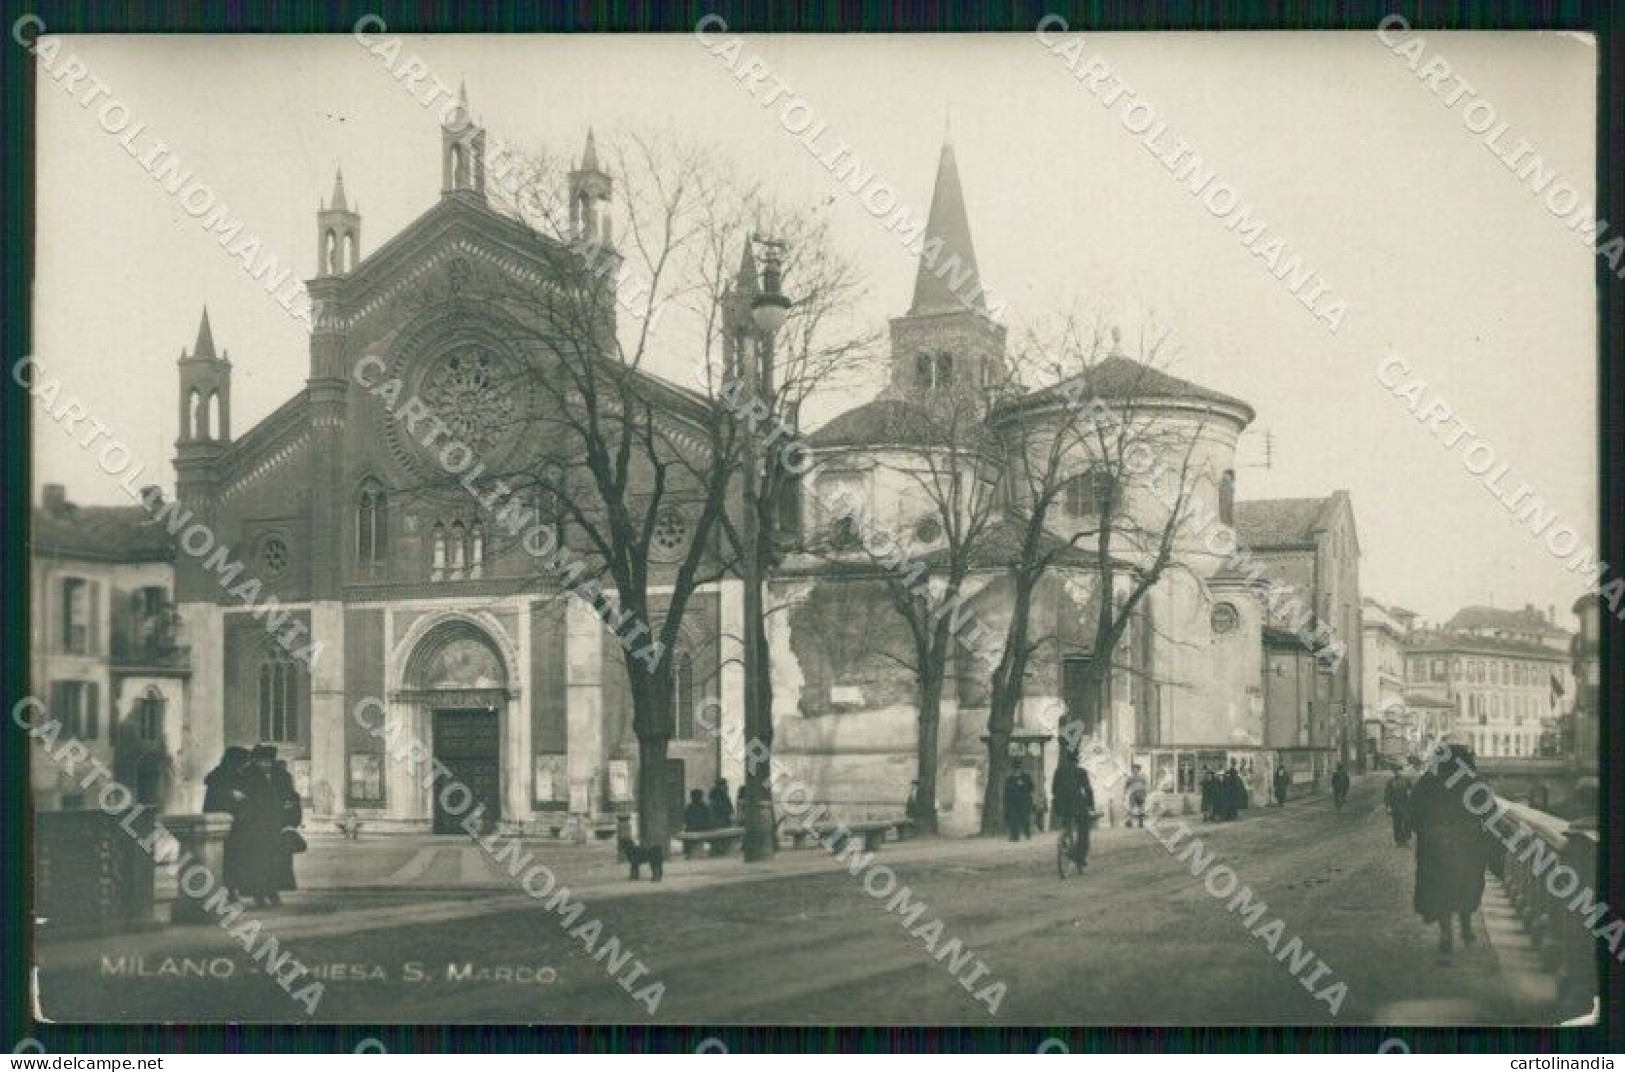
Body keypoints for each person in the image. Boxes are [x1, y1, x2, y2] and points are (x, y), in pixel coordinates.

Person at [1411, 744, 1498, 961]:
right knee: (1466, 884)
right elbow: (1490, 812)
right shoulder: (1473, 782)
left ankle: (1446, 933)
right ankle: (1467, 927)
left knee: (1440, 888)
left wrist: (1426, 832)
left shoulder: (1428, 782)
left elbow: (1414, 813)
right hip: (1468, 843)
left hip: (1435, 844)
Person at [229, 745, 294, 908]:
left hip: (275, 825)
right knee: (256, 863)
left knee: (275, 862)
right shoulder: (247, 775)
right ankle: (259, 895)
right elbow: (241, 800)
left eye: (268, 761)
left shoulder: (282, 776)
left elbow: (291, 797)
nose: (265, 765)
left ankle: (273, 893)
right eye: (261, 761)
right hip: (254, 828)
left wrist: (290, 820)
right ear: (256, 761)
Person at [202, 746, 250, 898]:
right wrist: (232, 795)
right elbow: (214, 800)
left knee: (233, 857)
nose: (244, 765)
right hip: (224, 823)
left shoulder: (230, 774)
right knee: (227, 858)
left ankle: (231, 888)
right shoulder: (220, 776)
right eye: (242, 762)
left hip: (234, 823)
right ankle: (228, 889)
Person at [1052, 757, 1096, 868]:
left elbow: (1053, 789)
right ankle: (1079, 857)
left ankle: (1064, 840)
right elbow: (1088, 789)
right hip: (1077, 806)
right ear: (1077, 760)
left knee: (1066, 822)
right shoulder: (1081, 771)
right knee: (1084, 829)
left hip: (1061, 806)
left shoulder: (1059, 771)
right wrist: (1090, 805)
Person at [270, 757, 303, 903]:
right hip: (281, 831)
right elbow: (296, 811)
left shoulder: (277, 788)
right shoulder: (288, 790)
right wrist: (292, 825)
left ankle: (272, 893)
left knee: (274, 864)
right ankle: (274, 893)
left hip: (276, 831)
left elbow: (295, 810)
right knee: (280, 864)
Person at [1385, 770, 1413, 845]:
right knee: (1397, 823)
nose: (1398, 772)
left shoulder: (1407, 780)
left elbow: (1411, 791)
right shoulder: (1390, 782)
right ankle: (1398, 840)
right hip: (1395, 805)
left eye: (1399, 770)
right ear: (1394, 772)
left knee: (1407, 822)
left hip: (1405, 805)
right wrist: (1388, 806)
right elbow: (1387, 795)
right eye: (1396, 771)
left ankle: (1405, 839)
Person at [1002, 769, 1032, 841]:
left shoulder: (1026, 777)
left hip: (1023, 802)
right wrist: (1006, 802)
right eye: (1015, 770)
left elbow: (1031, 788)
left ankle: (1027, 833)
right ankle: (1015, 836)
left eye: (1018, 769)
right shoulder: (1009, 779)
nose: (1016, 771)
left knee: (1024, 819)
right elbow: (1006, 791)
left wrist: (1023, 784)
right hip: (1012, 803)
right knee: (1013, 819)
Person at [1123, 764, 1148, 829]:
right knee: (1131, 808)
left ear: (1138, 770)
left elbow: (1145, 786)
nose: (1134, 770)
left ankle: (1141, 822)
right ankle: (1130, 822)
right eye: (1133, 769)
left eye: (1136, 769)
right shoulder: (1130, 778)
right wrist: (1125, 795)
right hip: (1132, 795)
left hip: (1140, 794)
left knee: (1141, 808)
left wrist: (1145, 793)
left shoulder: (1142, 777)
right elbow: (1126, 787)